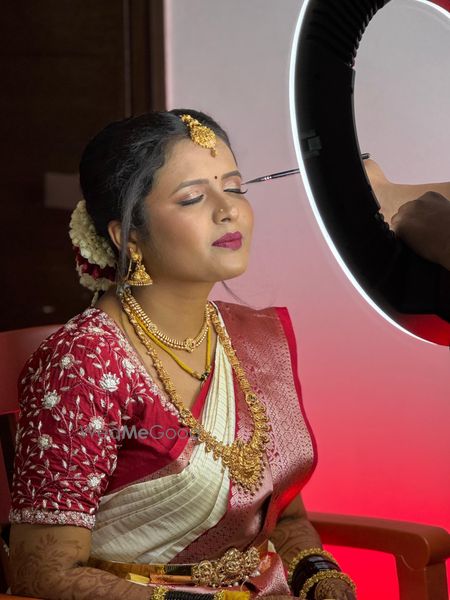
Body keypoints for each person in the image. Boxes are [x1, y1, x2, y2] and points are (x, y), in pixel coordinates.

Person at [8, 110, 357, 600]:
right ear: (127, 235)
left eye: (235, 188)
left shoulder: (255, 341)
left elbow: (283, 516)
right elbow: (43, 571)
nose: (228, 210)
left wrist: (320, 575)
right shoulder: (85, 362)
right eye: (193, 197)